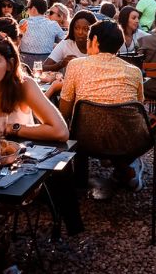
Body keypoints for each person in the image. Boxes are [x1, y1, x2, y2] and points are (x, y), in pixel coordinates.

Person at [58, 20, 146, 190]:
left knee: (80, 124)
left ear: (95, 40)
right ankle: (125, 168)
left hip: (85, 139)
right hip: (128, 139)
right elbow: (138, 106)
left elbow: (65, 111)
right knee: (115, 123)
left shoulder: (75, 65)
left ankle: (81, 181)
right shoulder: (134, 71)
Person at [18, 0, 66, 69]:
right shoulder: (53, 25)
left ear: (33, 9)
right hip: (46, 65)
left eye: (27, 8)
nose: (26, 11)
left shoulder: (23, 22)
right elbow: (65, 41)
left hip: (25, 64)